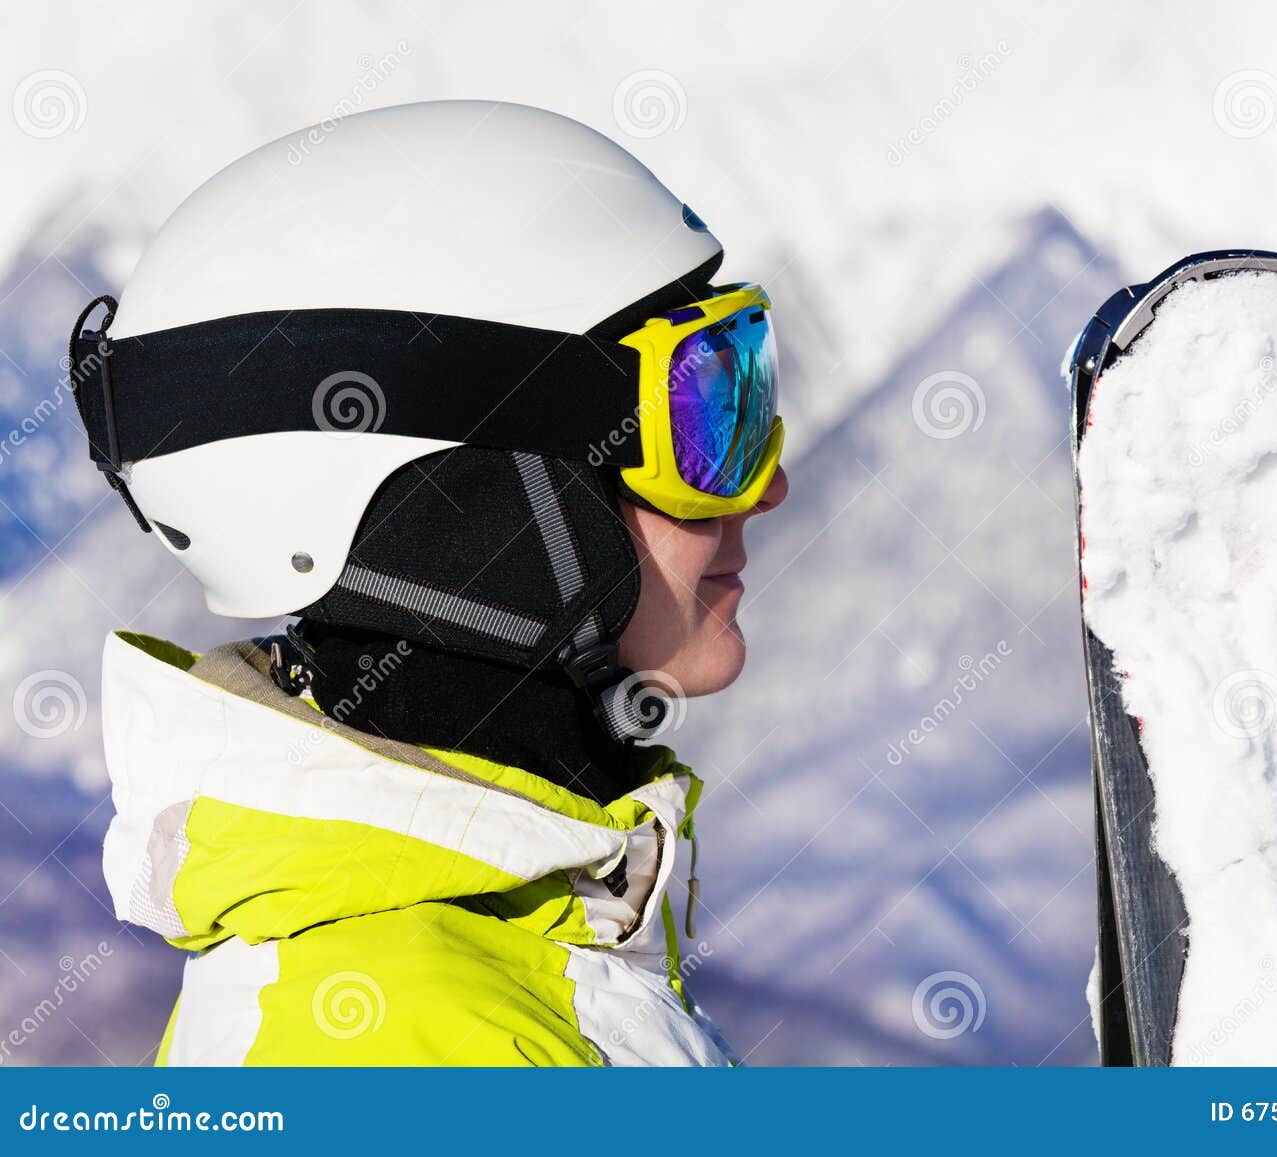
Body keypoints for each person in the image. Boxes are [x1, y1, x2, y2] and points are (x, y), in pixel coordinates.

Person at [69, 100, 787, 1066]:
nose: (768, 485)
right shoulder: (403, 1045)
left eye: (746, 386)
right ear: (474, 501)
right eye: (700, 419)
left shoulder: (517, 953)